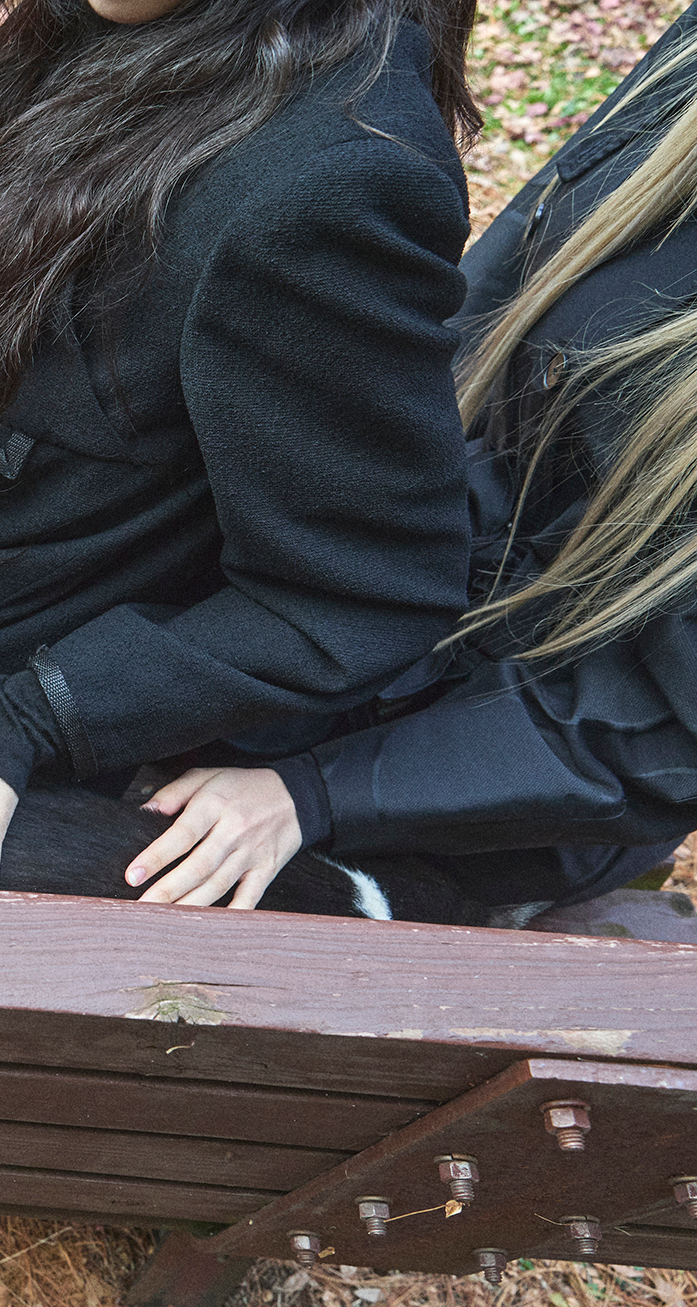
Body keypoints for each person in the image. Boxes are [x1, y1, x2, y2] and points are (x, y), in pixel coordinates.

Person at [0, 0, 481, 896]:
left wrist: (25, 721)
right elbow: (6, 330)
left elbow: (361, 590)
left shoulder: (331, 182)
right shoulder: (131, 24)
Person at [127, 2, 697, 930]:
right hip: (397, 603)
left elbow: (659, 733)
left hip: (491, 788)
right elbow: (535, 252)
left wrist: (317, 793)